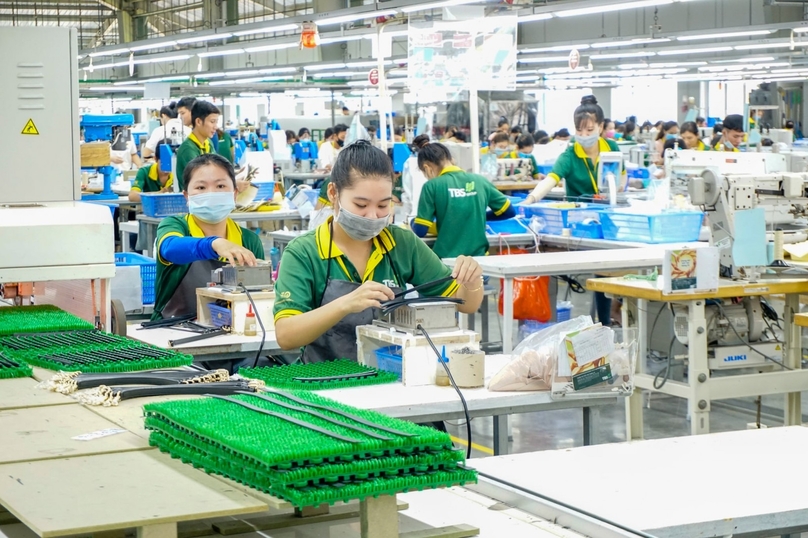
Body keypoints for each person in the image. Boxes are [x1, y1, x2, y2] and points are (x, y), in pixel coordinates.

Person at [272, 140, 483, 362]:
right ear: (334, 193)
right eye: (361, 206)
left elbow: (465, 303)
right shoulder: (304, 252)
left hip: (390, 379)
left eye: (383, 205)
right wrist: (345, 304)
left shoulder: (401, 243)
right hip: (322, 383)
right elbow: (286, 335)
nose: (373, 216)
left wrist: (471, 281)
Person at [152, 153, 265, 320]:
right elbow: (170, 248)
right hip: (172, 328)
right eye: (201, 188)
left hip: (234, 328)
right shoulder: (176, 226)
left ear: (234, 193)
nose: (211, 193)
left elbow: (258, 294)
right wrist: (214, 244)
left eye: (220, 186)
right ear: (186, 196)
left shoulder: (249, 240)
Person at [410, 135, 515, 260]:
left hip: (449, 264)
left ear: (427, 169)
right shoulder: (480, 181)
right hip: (480, 263)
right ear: (451, 160)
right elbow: (510, 211)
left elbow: (421, 230)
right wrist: (478, 217)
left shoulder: (432, 186)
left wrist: (412, 223)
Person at [175, 100, 219, 190]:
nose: (216, 126)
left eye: (216, 122)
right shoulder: (187, 149)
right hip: (193, 200)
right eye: (212, 121)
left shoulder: (208, 143)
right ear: (198, 121)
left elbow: (217, 168)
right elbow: (202, 178)